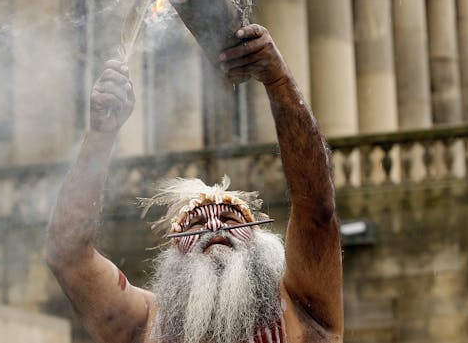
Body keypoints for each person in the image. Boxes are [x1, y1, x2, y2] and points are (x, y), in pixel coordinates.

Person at [46, 24, 343, 343]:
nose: (215, 228)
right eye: (196, 224)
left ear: (260, 239)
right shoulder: (145, 322)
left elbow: (316, 210)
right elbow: (69, 257)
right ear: (174, 251)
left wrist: (279, 81)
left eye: (231, 219)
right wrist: (100, 135)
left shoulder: (301, 308)